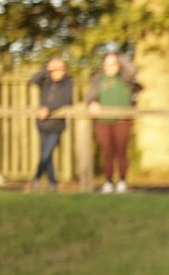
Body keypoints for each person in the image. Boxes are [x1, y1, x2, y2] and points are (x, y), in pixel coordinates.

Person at [86, 52, 141, 193]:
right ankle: (108, 181)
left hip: (122, 121)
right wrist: (92, 103)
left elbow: (132, 69)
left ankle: (122, 181)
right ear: (103, 66)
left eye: (113, 63)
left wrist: (119, 58)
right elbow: (90, 96)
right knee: (107, 153)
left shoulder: (124, 78)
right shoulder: (98, 79)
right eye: (107, 64)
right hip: (103, 121)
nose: (110, 67)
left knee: (121, 152)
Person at [26, 58, 75, 193]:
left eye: (60, 69)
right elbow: (33, 80)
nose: (56, 72)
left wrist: (49, 109)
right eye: (54, 69)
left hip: (56, 125)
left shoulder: (68, 82)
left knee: (45, 154)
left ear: (64, 70)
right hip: (42, 124)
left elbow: (67, 100)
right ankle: (53, 183)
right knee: (47, 156)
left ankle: (36, 178)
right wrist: (46, 68)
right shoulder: (46, 81)